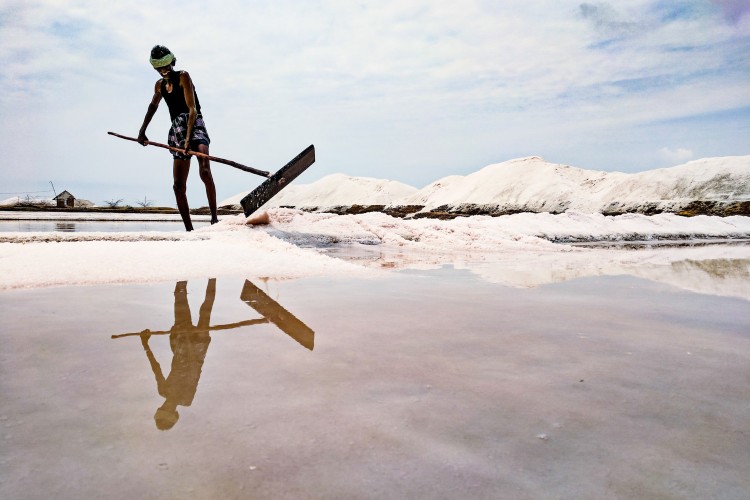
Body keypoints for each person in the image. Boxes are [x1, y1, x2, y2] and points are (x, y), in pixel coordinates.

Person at [137, 45, 218, 230]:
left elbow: (192, 109)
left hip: (195, 125)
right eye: (159, 68)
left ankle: (214, 219)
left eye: (166, 66)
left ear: (172, 62)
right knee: (178, 186)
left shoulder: (183, 76)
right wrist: (142, 131)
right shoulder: (159, 86)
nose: (163, 71)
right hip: (177, 132)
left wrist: (189, 139)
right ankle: (189, 230)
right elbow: (152, 107)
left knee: (204, 170)